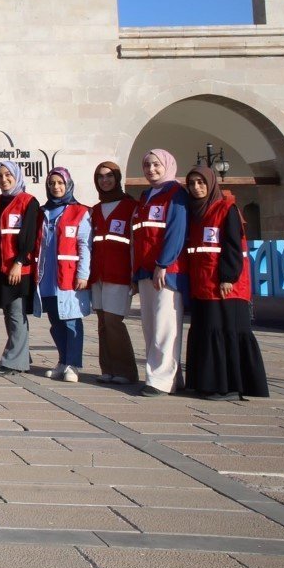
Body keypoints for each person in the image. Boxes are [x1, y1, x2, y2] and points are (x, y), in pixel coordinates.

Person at [183, 165, 268, 400]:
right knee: (207, 331)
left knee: (225, 332)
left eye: (201, 182)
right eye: (192, 183)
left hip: (225, 286)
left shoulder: (226, 208)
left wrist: (227, 277)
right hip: (202, 284)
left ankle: (229, 387)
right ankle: (207, 383)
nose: (197, 187)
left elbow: (233, 245)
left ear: (211, 183)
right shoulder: (196, 212)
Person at [132, 148, 188, 397]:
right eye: (146, 165)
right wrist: (137, 272)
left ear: (168, 164)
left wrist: (163, 263)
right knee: (150, 325)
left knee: (165, 326)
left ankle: (161, 380)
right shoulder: (145, 196)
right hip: (145, 270)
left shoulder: (176, 194)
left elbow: (176, 231)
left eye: (156, 165)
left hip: (166, 271)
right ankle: (170, 375)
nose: (151, 170)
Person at [32, 168, 92, 382]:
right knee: (55, 321)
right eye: (51, 183)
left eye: (60, 183)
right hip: (47, 276)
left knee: (71, 321)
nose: (56, 187)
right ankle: (63, 360)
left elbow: (85, 245)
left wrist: (83, 274)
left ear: (68, 184)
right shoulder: (43, 211)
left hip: (69, 276)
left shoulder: (80, 212)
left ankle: (74, 364)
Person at [0, 161, 40, 377]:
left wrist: (19, 262)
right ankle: (21, 354)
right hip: (0, 267)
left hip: (18, 267)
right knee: (8, 313)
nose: (4, 179)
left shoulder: (28, 201)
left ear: (17, 175)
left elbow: (29, 236)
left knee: (17, 313)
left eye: (8, 174)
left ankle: (13, 362)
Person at [89, 161, 140, 385]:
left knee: (113, 322)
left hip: (119, 275)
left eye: (109, 176)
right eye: (100, 177)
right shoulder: (96, 209)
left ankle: (126, 371)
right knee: (102, 322)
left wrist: (134, 275)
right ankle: (107, 369)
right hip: (98, 274)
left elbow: (135, 244)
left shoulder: (131, 206)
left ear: (117, 178)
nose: (105, 180)